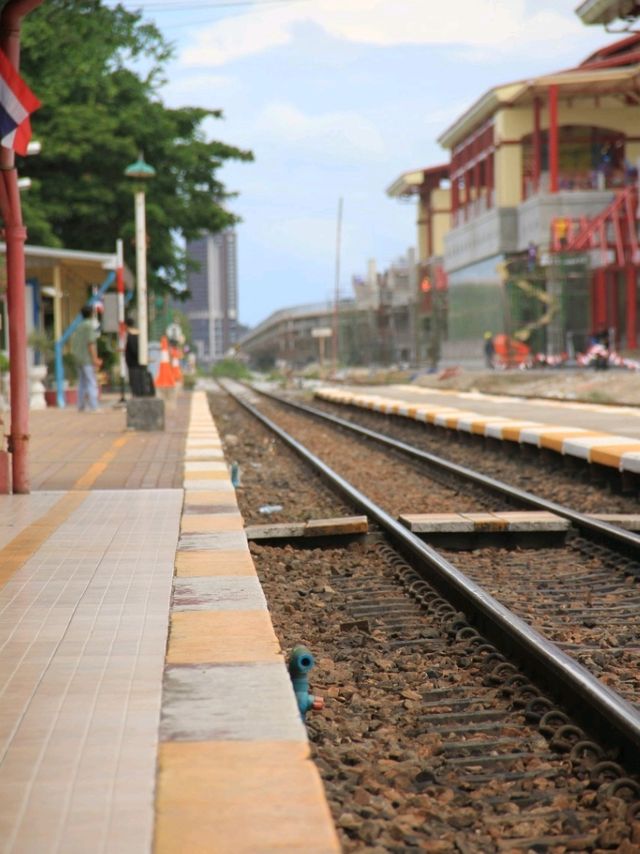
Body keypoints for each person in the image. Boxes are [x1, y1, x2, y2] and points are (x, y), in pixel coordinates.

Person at [72, 305, 102, 411]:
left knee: (81, 382)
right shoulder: (89, 326)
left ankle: (81, 405)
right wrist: (95, 358)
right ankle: (94, 406)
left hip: (78, 358)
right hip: (87, 358)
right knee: (91, 381)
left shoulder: (79, 326)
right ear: (91, 313)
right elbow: (91, 343)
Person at [125, 315, 155, 396]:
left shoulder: (130, 335)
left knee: (135, 383)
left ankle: (138, 394)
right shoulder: (138, 334)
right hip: (138, 362)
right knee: (140, 381)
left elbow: (134, 350)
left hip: (133, 364)